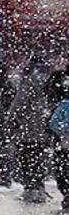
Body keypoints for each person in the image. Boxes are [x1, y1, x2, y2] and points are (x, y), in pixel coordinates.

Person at [9, 53, 53, 204]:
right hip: (44, 129)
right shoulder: (50, 82)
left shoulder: (29, 82)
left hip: (28, 129)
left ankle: (30, 189)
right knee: (39, 158)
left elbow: (19, 104)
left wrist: (12, 120)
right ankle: (39, 187)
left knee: (27, 158)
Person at [45, 62, 69, 213]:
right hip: (63, 140)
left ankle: (67, 197)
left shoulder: (64, 102)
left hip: (64, 141)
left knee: (63, 169)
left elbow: (53, 123)